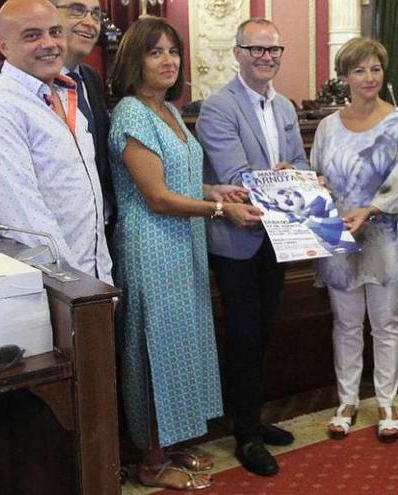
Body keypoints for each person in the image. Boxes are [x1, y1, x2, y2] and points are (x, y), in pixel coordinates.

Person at [106, 16, 260, 491]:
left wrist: (217, 190)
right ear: (135, 60)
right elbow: (156, 197)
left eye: (172, 51)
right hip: (151, 245)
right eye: (155, 52)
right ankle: (151, 461)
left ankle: (169, 443)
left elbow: (180, 181)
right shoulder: (132, 113)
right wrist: (219, 210)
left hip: (182, 243)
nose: (168, 60)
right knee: (154, 350)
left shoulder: (168, 110)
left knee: (179, 346)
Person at [196, 18, 307, 477]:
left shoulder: (283, 106)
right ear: (238, 53)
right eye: (256, 49)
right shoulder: (217, 108)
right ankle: (245, 434)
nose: (266, 57)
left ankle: (254, 418)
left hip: (277, 237)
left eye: (273, 50)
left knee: (263, 333)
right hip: (236, 240)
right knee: (242, 336)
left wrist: (295, 174)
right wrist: (286, 179)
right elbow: (237, 178)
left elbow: (301, 162)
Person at [310, 37, 398, 444]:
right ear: (345, 77)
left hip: (386, 236)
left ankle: (387, 402)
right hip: (338, 236)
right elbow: (317, 175)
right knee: (345, 323)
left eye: (375, 68)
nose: (369, 77)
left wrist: (370, 210)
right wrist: (310, 183)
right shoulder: (326, 126)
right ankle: (346, 401)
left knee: (387, 323)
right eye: (359, 70)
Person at [0, 0, 112, 283]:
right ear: (2, 46)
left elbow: (86, 206)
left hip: (93, 282)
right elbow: (25, 222)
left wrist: (103, 280)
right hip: (50, 289)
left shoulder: (68, 94)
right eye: (32, 35)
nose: (50, 43)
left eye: (55, 32)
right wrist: (79, 287)